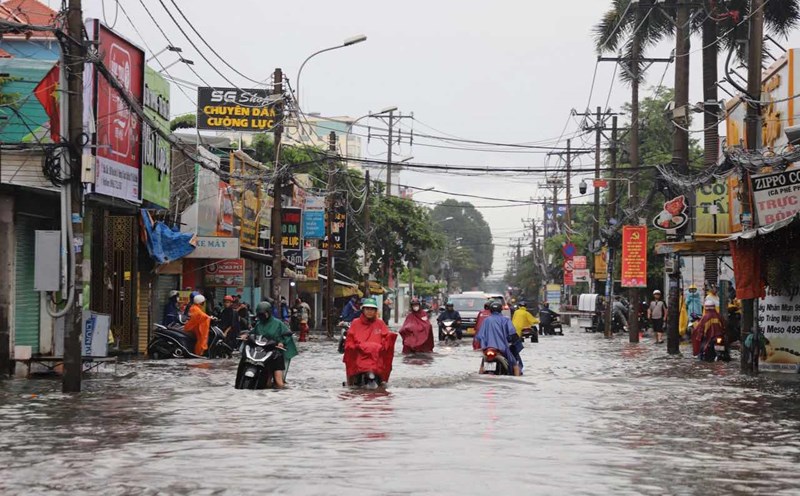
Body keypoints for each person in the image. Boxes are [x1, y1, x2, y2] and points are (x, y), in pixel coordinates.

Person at [343, 297, 397, 385]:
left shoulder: (380, 323)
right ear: (363, 310)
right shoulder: (355, 323)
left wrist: (384, 345)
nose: (369, 311)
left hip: (376, 358)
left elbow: (386, 337)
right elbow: (350, 339)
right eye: (367, 309)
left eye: (372, 309)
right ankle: (351, 381)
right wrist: (355, 346)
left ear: (375, 311)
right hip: (359, 356)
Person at [249, 301, 298, 387]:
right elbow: (253, 333)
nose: (261, 316)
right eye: (259, 314)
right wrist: (246, 336)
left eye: (263, 314)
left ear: (268, 313)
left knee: (278, 381)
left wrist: (281, 342)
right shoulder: (259, 324)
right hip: (262, 354)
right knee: (266, 383)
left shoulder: (278, 323)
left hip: (276, 354)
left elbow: (287, 334)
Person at [474, 301, 521, 376]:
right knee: (515, 365)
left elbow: (479, 336)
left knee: (482, 366)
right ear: (500, 310)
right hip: (502, 349)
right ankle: (517, 379)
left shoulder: (486, 320)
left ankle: (480, 377)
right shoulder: (505, 320)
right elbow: (512, 333)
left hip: (487, 349)